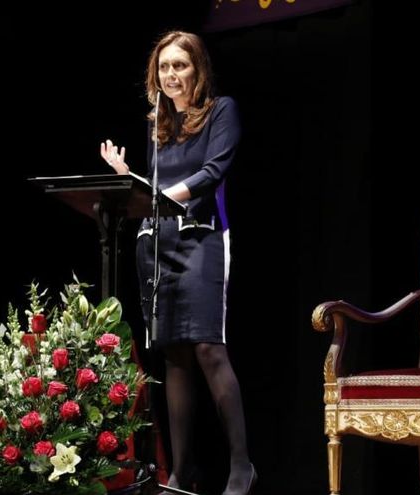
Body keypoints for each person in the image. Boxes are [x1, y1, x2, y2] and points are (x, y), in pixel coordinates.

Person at [99, 31, 255, 495]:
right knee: (175, 356)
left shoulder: (221, 110)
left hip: (202, 239)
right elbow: (157, 188)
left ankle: (242, 466)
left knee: (208, 348)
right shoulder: (160, 124)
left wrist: (160, 195)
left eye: (180, 66)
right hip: (157, 244)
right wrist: (129, 180)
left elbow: (211, 172)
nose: (172, 75)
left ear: (197, 69)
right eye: (164, 67)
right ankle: (182, 474)